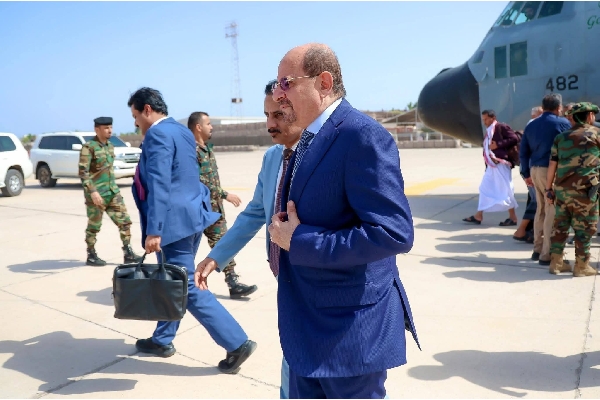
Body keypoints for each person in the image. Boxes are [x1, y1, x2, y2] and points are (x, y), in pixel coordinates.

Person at [269, 43, 419, 399]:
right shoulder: (309, 137)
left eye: (287, 83)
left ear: (323, 82)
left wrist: (300, 241)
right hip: (307, 324)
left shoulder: (361, 135)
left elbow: (392, 232)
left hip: (348, 331)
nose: (278, 95)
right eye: (277, 85)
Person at [127, 87, 256, 373]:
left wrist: (154, 230)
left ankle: (236, 342)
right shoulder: (181, 131)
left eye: (135, 116)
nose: (135, 123)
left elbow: (160, 183)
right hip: (191, 217)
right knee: (172, 280)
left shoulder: (157, 134)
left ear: (147, 109)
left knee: (184, 284)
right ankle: (162, 339)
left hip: (172, 224)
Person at [195, 80, 304, 399]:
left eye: (278, 115)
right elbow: (256, 211)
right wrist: (218, 255)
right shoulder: (272, 157)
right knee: (293, 356)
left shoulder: (320, 155)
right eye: (267, 115)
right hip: (285, 275)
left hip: (317, 274)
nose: (270, 124)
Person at [188, 111, 257, 299]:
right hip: (198, 211)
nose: (212, 127)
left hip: (214, 209)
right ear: (198, 127)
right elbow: (198, 181)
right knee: (187, 250)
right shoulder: (191, 151)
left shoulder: (207, 149)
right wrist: (225, 194)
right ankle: (179, 282)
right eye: (208, 124)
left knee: (223, 243)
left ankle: (232, 282)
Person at [78, 116, 143, 266]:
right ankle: (91, 254)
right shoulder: (89, 147)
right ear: (97, 129)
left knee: (125, 221)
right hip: (97, 195)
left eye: (111, 127)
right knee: (94, 226)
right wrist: (93, 192)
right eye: (106, 128)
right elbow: (83, 172)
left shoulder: (110, 146)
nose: (110, 130)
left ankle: (128, 253)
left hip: (112, 192)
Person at [546, 102, 600, 277]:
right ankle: (582, 266)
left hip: (562, 190)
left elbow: (552, 164)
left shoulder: (561, 137)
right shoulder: (596, 133)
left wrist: (548, 189)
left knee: (560, 227)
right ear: (589, 116)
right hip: (586, 191)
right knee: (585, 228)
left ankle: (556, 264)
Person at [520, 93, 571, 265]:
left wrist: (526, 173)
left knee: (540, 209)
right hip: (550, 171)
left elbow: (523, 151)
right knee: (552, 211)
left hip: (534, 170)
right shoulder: (562, 123)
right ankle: (547, 254)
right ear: (559, 107)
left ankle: (537, 249)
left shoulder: (531, 124)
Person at [462, 110, 519, 226]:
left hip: (501, 164)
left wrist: (498, 144)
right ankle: (478, 215)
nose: (484, 122)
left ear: (493, 118)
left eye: (486, 119)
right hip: (491, 165)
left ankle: (513, 218)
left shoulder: (501, 127)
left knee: (505, 190)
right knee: (484, 188)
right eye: (483, 119)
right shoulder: (489, 130)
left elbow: (514, 138)